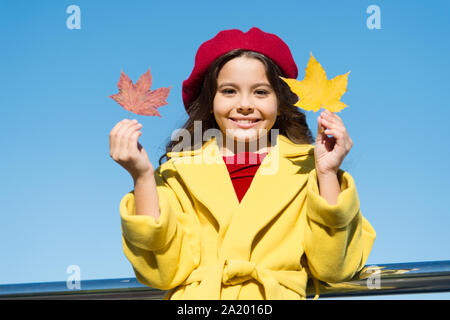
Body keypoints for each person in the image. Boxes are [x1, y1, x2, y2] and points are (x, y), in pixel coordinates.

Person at [109, 27, 376, 300]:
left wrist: (328, 173)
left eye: (261, 92)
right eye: (229, 91)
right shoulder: (175, 174)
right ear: (210, 100)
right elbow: (160, 273)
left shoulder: (310, 169)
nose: (245, 104)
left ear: (280, 102)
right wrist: (142, 177)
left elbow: (335, 269)